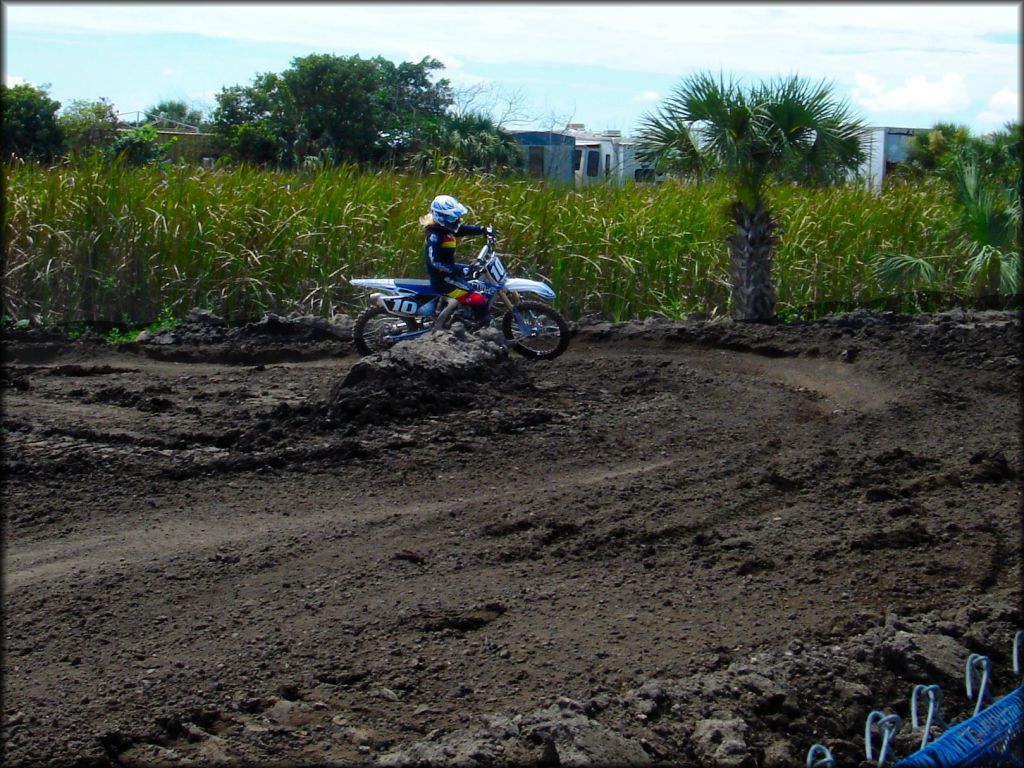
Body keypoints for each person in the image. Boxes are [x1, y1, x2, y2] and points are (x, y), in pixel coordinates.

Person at [420, 195, 497, 327]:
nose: (455, 220)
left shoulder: (444, 229)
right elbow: (435, 262)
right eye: (452, 217)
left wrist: (482, 230)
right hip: (442, 279)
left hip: (449, 273)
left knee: (475, 279)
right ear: (440, 216)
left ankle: (463, 314)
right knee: (477, 298)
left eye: (456, 217)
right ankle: (482, 329)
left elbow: (461, 229)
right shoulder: (435, 235)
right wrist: (461, 269)